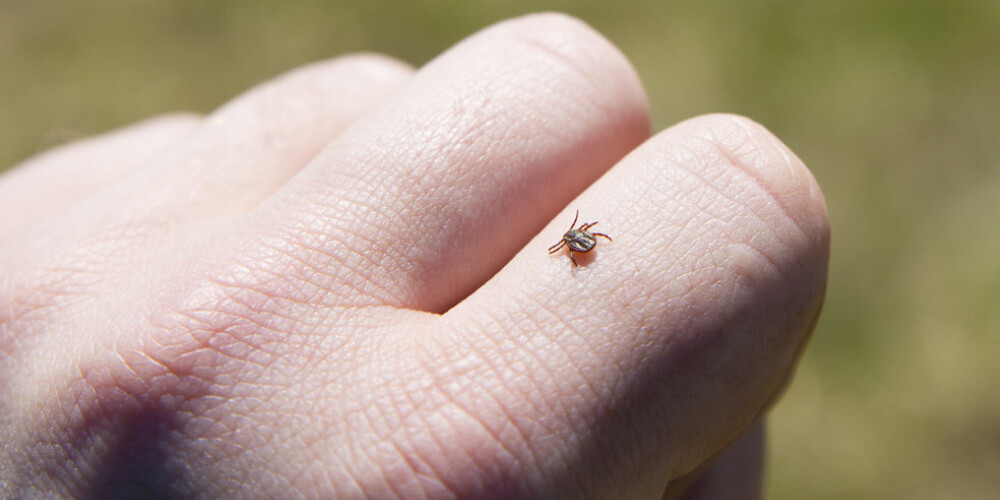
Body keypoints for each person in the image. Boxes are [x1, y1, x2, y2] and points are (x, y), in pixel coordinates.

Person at [0, 13, 828, 499]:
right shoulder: (578, 243)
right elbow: (577, 248)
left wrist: (568, 252)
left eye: (579, 238)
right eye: (577, 238)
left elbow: (575, 248)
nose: (578, 242)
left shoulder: (575, 243)